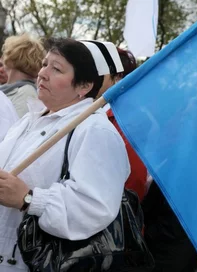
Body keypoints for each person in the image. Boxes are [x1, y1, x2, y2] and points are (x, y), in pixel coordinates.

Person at [0, 37, 130, 271]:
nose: (42, 74)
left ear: (84, 86)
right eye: (44, 64)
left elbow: (94, 207)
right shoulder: (30, 120)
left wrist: (28, 199)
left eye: (56, 68)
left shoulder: (94, 130)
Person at [97, 47, 197, 272]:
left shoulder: (135, 120)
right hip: (143, 226)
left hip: (152, 231)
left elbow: (134, 182)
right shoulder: (107, 115)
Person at [96, 47, 148, 201]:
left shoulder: (129, 120)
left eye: (98, 69)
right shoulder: (91, 111)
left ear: (118, 77)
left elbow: (134, 179)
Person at [0, 33, 45, 118]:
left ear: (12, 58)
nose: (3, 57)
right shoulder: (14, 89)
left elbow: (15, 129)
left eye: (6, 53)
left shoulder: (26, 93)